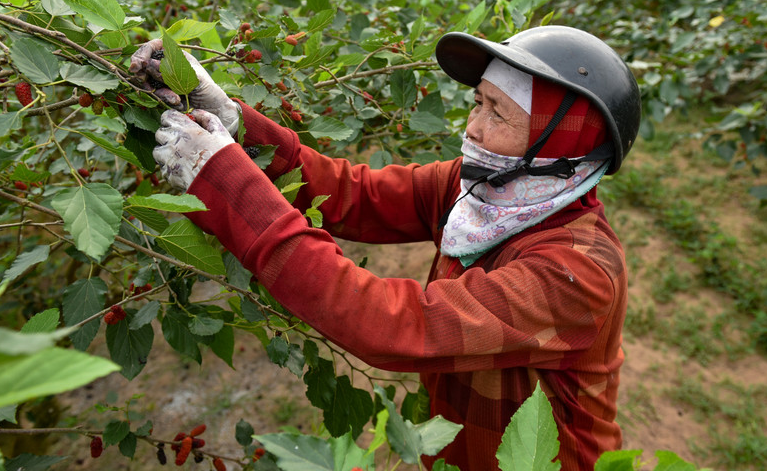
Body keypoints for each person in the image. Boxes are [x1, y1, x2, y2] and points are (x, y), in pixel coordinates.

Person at [130, 25, 641, 471]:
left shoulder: (577, 272)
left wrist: (226, 182)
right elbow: (356, 194)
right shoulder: (484, 192)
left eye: (499, 114)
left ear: (559, 145)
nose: (473, 127)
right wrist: (240, 128)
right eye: (477, 102)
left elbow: (395, 325)